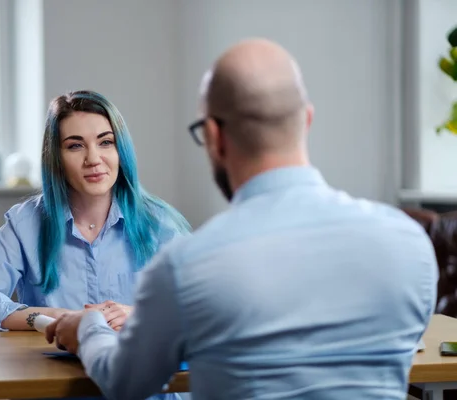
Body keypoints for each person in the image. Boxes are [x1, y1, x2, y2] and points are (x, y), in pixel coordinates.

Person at [46, 39, 439, 400]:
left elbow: (124, 382)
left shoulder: (188, 266)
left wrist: (88, 327)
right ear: (306, 120)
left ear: (215, 136)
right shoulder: (409, 244)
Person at [0, 90, 190, 400]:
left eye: (105, 142)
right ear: (57, 157)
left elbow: (207, 308)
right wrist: (52, 318)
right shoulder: (25, 223)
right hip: (57, 389)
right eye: (75, 146)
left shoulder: (160, 222)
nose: (94, 158)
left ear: (121, 150)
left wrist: (139, 314)